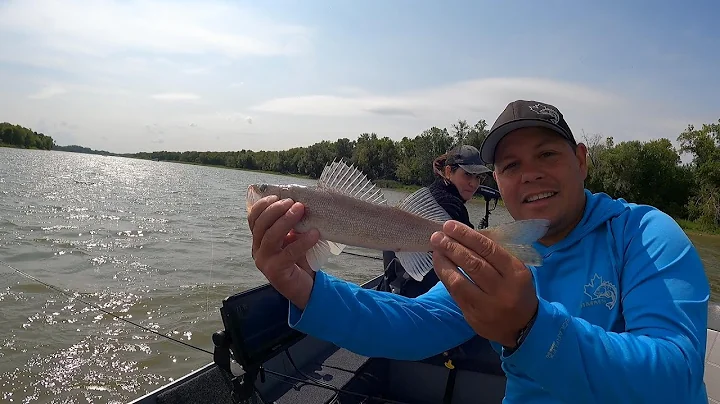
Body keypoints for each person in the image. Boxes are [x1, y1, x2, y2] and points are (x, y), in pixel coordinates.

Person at [247, 99, 710, 403]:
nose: (528, 173)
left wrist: (531, 328)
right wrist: (305, 288)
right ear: (497, 181)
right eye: (510, 165)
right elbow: (415, 325)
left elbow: (676, 375)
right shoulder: (498, 254)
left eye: (547, 154)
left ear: (582, 159)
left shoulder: (646, 234)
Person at [377, 144, 491, 298]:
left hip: (392, 287)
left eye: (478, 177)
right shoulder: (450, 206)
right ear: (449, 172)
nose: (473, 183)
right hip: (418, 297)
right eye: (468, 175)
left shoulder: (427, 195)